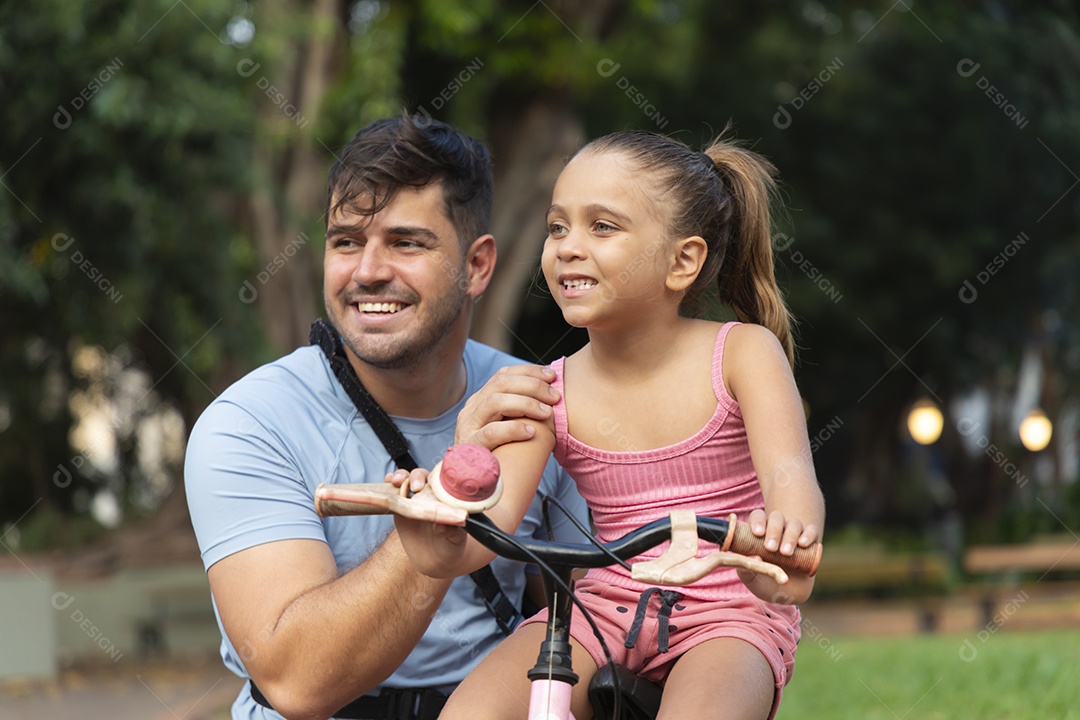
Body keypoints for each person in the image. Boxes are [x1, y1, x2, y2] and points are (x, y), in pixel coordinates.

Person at [389, 129, 826, 720]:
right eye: (557, 227)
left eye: (602, 227)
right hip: (601, 605)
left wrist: (780, 542)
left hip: (730, 609)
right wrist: (435, 523)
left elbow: (791, 483)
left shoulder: (743, 354)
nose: (567, 247)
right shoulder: (547, 390)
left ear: (682, 261)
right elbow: (482, 534)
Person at [184, 113, 588, 720]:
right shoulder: (249, 425)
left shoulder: (540, 401)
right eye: (346, 241)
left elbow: (591, 615)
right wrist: (452, 488)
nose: (367, 270)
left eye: (405, 242)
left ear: (477, 266)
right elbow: (297, 681)